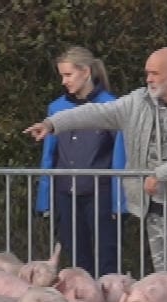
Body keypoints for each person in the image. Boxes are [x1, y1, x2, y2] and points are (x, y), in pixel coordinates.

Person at [26, 47, 167, 277]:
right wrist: (52, 124)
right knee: (166, 282)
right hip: (155, 209)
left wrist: (161, 173)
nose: (148, 79)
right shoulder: (138, 102)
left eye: (155, 73)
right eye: (147, 73)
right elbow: (95, 113)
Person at [37, 46, 125, 278]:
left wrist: (119, 201)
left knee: (107, 255)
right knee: (77, 259)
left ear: (85, 72)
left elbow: (119, 156)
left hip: (100, 192)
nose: (64, 81)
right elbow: (49, 156)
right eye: (61, 76)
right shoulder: (56, 107)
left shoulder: (111, 106)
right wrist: (44, 199)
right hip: (66, 191)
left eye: (68, 75)